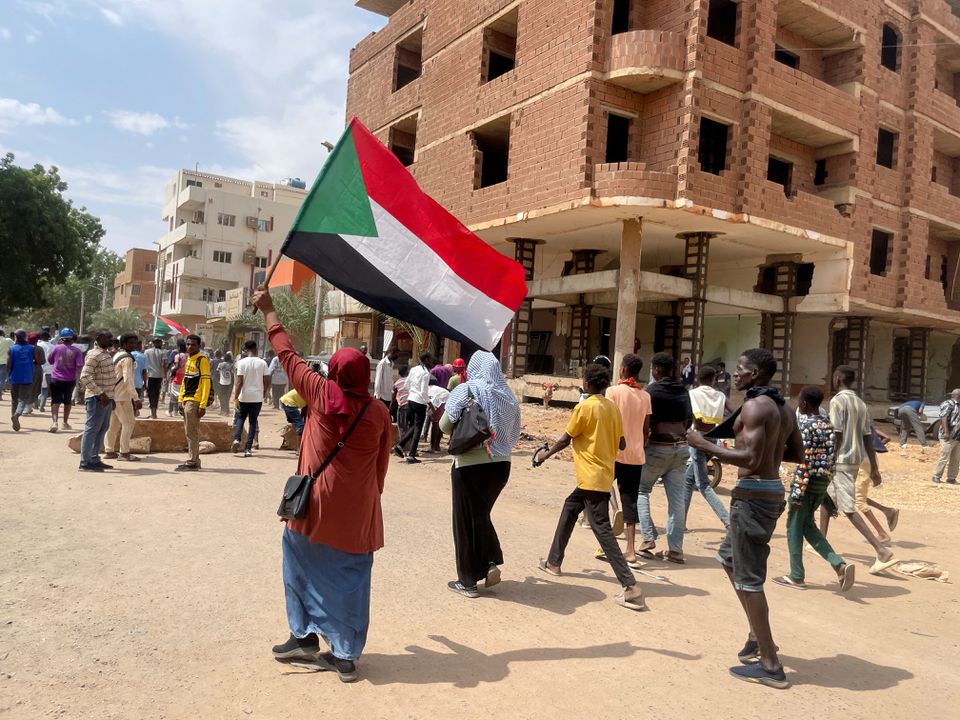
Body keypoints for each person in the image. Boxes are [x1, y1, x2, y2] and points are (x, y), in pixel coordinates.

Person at [253, 286, 392, 684]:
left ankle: (303, 637)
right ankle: (345, 656)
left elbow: (287, 355)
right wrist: (366, 501)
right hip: (358, 511)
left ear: (333, 370)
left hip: (312, 507)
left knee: (298, 567)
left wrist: (268, 310)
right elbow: (381, 468)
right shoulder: (379, 412)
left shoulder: (320, 392)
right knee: (351, 579)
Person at [688, 348, 800, 689]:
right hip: (769, 490)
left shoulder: (755, 406)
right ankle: (756, 632)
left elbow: (750, 458)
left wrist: (702, 444)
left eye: (741, 369)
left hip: (752, 496)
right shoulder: (783, 408)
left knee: (749, 578)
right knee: (729, 559)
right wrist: (770, 449)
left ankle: (770, 663)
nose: (734, 374)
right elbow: (795, 453)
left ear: (756, 374)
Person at [534, 363, 646, 611]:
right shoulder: (612, 408)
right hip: (603, 475)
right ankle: (553, 561)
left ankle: (630, 587)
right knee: (570, 508)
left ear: (587, 383)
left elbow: (566, 438)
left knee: (603, 530)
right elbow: (623, 444)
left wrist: (545, 455)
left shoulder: (584, 407)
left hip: (591, 477)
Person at [438, 351, 521, 597]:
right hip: (501, 466)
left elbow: (444, 425)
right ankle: (488, 563)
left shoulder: (466, 390)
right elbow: (515, 435)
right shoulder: (510, 396)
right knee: (479, 515)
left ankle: (467, 581)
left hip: (469, 465)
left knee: (464, 521)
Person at [772, 386, 854, 592]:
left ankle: (796, 576)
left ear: (804, 404)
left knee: (793, 526)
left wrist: (797, 492)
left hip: (806, 483)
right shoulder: (828, 424)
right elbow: (830, 457)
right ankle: (838, 564)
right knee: (807, 525)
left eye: (799, 400)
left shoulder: (805, 425)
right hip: (822, 481)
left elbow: (804, 460)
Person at [821, 365, 899, 573]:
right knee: (827, 499)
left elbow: (836, 434)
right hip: (856, 460)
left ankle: (881, 550)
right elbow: (867, 438)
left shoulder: (837, 401)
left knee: (848, 507)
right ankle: (819, 541)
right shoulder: (861, 404)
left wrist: (828, 459)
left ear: (837, 379)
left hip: (841, 461)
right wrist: (874, 468)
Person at [637, 352, 693, 564]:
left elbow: (645, 422)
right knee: (676, 501)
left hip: (658, 447)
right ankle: (676, 550)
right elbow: (689, 421)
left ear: (657, 370)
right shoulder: (683, 391)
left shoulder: (652, 391)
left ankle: (648, 539)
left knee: (640, 490)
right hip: (681, 449)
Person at [603, 353, 651, 567]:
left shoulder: (612, 392)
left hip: (612, 451)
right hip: (635, 454)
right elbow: (646, 429)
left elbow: (607, 421)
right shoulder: (645, 396)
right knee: (630, 499)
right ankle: (630, 550)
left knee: (601, 494)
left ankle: (607, 545)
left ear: (622, 370)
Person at [684, 365, 731, 529]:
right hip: (713, 439)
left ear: (698, 379)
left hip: (698, 439)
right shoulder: (721, 396)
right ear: (713, 380)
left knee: (703, 485)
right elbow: (734, 412)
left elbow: (692, 419)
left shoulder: (693, 394)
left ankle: (728, 521)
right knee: (688, 480)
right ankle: (680, 522)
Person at [78, 330, 117, 472]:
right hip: (97, 399)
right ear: (99, 338)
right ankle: (85, 462)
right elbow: (85, 376)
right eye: (107, 338)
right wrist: (101, 394)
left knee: (102, 429)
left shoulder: (105, 354)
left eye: (111, 338)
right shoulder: (94, 355)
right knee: (91, 430)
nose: (110, 341)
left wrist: (111, 398)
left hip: (107, 398)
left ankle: (94, 458)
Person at [104, 333, 142, 462]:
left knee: (114, 424)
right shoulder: (127, 358)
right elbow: (128, 379)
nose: (134, 345)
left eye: (135, 343)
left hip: (114, 395)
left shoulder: (118, 355)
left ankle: (109, 450)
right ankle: (124, 453)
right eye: (131, 343)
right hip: (122, 396)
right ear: (124, 344)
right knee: (129, 423)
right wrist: (135, 398)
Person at [175, 334, 211, 472]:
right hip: (186, 399)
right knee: (188, 431)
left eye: (193, 344)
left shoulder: (202, 360)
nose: (190, 347)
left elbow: (206, 382)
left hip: (195, 400)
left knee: (191, 432)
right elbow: (186, 380)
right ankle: (194, 460)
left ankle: (193, 461)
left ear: (199, 346)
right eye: (188, 344)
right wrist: (180, 399)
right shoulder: (189, 359)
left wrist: (202, 404)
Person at [232, 340, 270, 458]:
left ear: (245, 349)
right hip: (257, 397)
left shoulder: (241, 363)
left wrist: (235, 397)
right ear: (256, 348)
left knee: (240, 419)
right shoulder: (262, 363)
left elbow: (239, 382)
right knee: (253, 422)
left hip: (244, 396)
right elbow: (267, 379)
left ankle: (237, 439)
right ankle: (248, 449)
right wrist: (264, 391)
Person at [395, 352, 432, 464]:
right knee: (417, 429)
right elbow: (424, 392)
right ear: (425, 360)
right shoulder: (426, 373)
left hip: (411, 399)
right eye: (430, 360)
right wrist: (430, 404)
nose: (431, 362)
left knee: (414, 426)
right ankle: (411, 455)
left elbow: (406, 385)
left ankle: (400, 445)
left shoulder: (414, 369)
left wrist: (412, 392)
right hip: (420, 401)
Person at [46, 328, 84, 433]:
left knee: (55, 401)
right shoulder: (77, 351)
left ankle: (54, 422)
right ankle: (65, 422)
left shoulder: (56, 348)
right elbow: (79, 365)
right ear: (72, 339)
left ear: (61, 339)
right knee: (67, 401)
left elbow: (50, 360)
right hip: (70, 380)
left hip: (56, 378)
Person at [7, 329, 36, 431]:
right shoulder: (31, 348)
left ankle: (14, 417)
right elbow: (37, 360)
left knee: (14, 399)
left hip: (14, 376)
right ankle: (17, 414)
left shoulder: (12, 348)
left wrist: (8, 374)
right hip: (27, 376)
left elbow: (9, 364)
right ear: (25, 337)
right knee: (23, 398)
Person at [932, 388, 960, 484]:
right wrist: (946, 432)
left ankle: (951, 478)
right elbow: (943, 417)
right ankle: (936, 476)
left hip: (957, 437)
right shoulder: (948, 404)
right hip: (948, 436)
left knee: (956, 459)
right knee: (944, 456)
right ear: (957, 395)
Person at [426, 377, 450, 454]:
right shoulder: (436, 388)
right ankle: (436, 446)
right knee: (440, 422)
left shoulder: (428, 388)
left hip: (441, 399)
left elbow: (432, 401)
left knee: (435, 423)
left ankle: (432, 447)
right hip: (447, 398)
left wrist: (433, 411)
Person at [145, 338, 166, 419]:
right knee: (156, 394)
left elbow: (145, 364)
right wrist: (164, 376)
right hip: (158, 376)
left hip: (149, 376)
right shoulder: (163, 352)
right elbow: (164, 365)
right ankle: (154, 414)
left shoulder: (147, 352)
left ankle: (153, 413)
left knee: (151, 395)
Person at [167, 340, 187, 417]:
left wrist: (172, 370)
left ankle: (172, 411)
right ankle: (177, 411)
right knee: (182, 395)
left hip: (177, 378)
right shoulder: (188, 356)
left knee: (174, 396)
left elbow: (177, 366)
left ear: (178, 347)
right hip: (185, 378)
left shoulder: (178, 356)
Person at [26, 332, 44, 415]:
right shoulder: (39, 349)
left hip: (25, 370)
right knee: (34, 388)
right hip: (36, 370)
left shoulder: (24, 348)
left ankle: (26, 407)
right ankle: (28, 407)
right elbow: (42, 361)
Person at [37, 330, 54, 412]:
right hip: (50, 371)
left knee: (36, 388)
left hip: (39, 370)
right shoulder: (53, 346)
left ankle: (36, 403)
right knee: (46, 389)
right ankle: (41, 405)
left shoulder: (38, 345)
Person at [131, 339, 147, 417]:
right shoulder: (142, 356)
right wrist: (145, 383)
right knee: (136, 399)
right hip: (138, 383)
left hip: (128, 383)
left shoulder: (128, 354)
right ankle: (134, 414)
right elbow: (144, 371)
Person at [393, 365, 410, 436]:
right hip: (413, 405)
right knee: (410, 426)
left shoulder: (397, 383)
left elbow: (393, 399)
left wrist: (390, 411)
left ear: (399, 374)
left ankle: (403, 445)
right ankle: (410, 444)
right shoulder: (411, 381)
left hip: (403, 406)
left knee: (402, 427)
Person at [217, 351, 235, 416]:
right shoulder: (231, 365)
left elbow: (217, 372)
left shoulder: (220, 364)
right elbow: (233, 373)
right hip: (229, 383)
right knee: (227, 397)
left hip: (221, 382)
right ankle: (226, 411)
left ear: (224, 358)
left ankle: (224, 411)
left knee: (222, 397)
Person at [0, 328, 12, 401]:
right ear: (3, 334)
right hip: (4, 362)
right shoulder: (8, 341)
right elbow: (14, 346)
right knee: (2, 379)